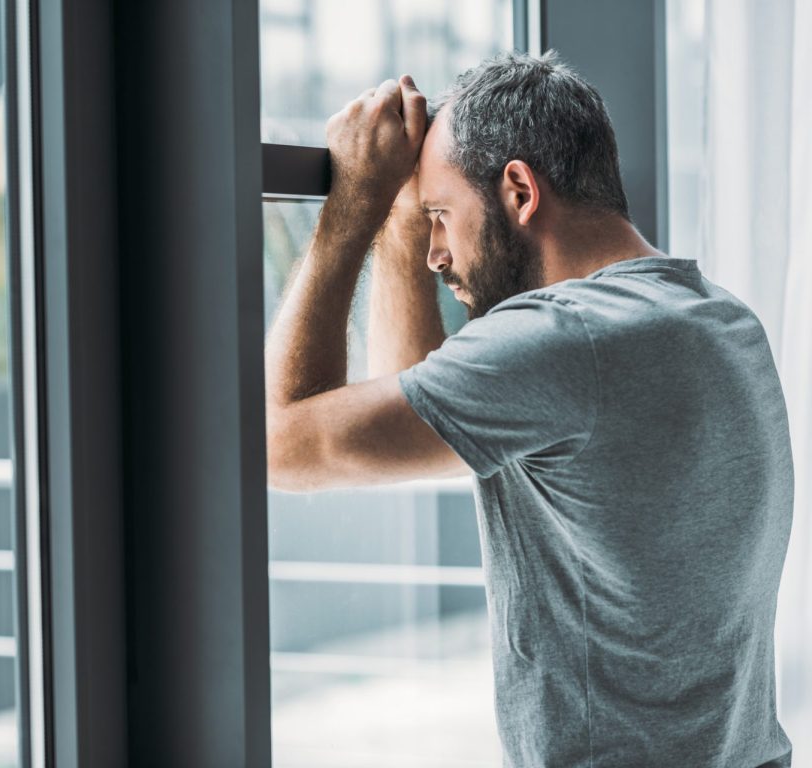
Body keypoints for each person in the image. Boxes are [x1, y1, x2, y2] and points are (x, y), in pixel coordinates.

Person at [264, 51, 794, 768]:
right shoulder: (714, 318)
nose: (436, 254)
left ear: (518, 189)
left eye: (442, 216)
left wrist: (352, 204)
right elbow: (430, 398)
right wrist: (401, 220)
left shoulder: (564, 340)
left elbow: (280, 446)